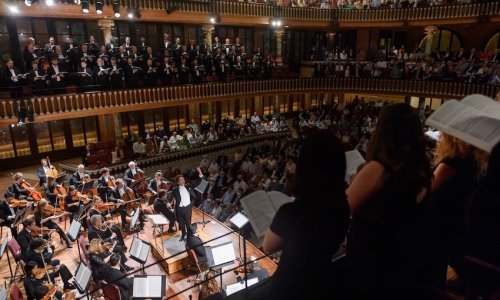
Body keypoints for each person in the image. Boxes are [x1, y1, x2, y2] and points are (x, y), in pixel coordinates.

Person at [345, 103, 434, 298]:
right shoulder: (421, 169)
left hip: (372, 262)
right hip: (402, 262)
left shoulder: (378, 169)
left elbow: (345, 208)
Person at [262, 131, 350, 299]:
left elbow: (268, 246)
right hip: (321, 285)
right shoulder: (343, 206)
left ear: (304, 167)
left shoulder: (291, 211)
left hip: (288, 289)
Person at [429, 133, 488, 287]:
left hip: (439, 226)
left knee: (432, 271)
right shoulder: (475, 163)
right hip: (457, 224)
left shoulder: (452, 163)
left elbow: (427, 189)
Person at [168, 167, 204, 241]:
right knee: (181, 223)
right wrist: (168, 203)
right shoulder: (175, 189)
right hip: (180, 208)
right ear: (177, 182)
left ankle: (190, 235)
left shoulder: (188, 186)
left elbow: (198, 182)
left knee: (188, 222)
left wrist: (200, 173)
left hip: (188, 207)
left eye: (183, 179)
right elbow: (170, 197)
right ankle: (183, 235)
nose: (183, 181)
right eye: (181, 180)